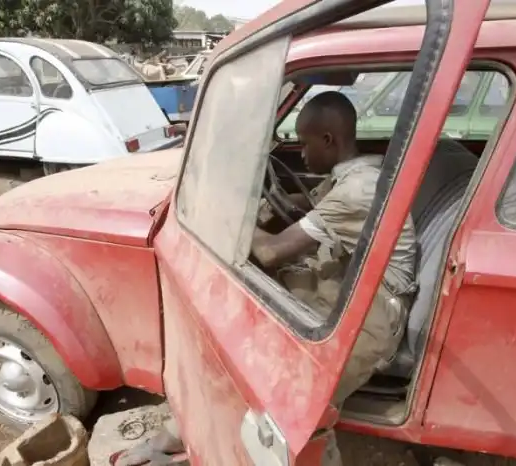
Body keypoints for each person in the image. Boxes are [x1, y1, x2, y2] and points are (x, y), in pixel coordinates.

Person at [114, 91, 419, 465]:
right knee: (248, 329)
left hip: (375, 313)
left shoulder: (357, 190)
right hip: (354, 284)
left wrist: (225, 213)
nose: (301, 154)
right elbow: (303, 204)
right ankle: (184, 431)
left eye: (304, 144)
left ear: (328, 140)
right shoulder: (355, 174)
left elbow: (271, 250)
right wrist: (263, 198)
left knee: (291, 398)